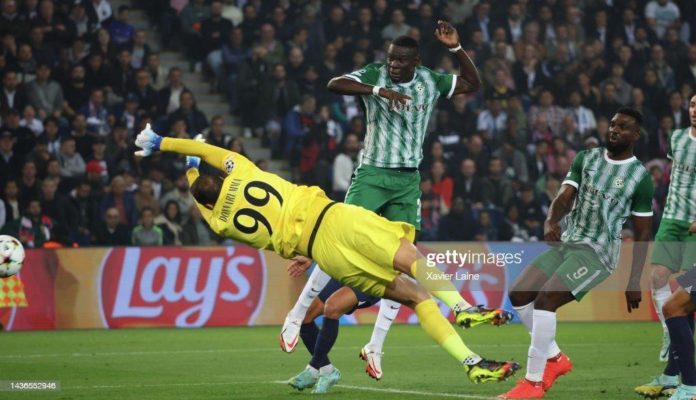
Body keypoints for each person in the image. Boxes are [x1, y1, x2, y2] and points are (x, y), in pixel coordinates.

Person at [134, 125, 519, 392]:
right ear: (222, 179)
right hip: (334, 217)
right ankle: (462, 307)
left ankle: (471, 364)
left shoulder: (220, 222)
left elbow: (202, 200)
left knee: (414, 298)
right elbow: (205, 151)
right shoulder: (242, 171)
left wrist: (188, 174)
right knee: (411, 258)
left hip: (323, 253)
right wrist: (165, 143)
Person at [279, 20, 490, 383]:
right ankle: (296, 315)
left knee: (404, 259)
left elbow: (473, 83)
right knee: (340, 235)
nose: (392, 65)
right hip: (373, 173)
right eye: (390, 59)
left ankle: (376, 345)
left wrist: (456, 49)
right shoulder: (376, 74)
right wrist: (378, 90)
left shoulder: (430, 81)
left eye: (399, 61)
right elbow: (335, 83)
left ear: (415, 61)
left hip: (408, 179)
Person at [501, 108, 655, 399]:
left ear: (635, 135)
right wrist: (551, 220)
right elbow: (564, 197)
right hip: (568, 243)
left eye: (622, 127)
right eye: (611, 124)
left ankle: (533, 383)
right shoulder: (587, 158)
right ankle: (556, 358)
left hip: (597, 254)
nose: (614, 130)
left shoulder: (640, 178)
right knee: (520, 293)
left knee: (546, 300)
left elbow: (644, 233)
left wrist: (635, 281)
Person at [635, 95, 696, 398]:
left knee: (683, 298)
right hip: (673, 220)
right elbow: (679, 178)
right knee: (658, 280)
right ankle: (671, 355)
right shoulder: (677, 138)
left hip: (694, 226)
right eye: (693, 104)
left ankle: (681, 379)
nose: (695, 110)